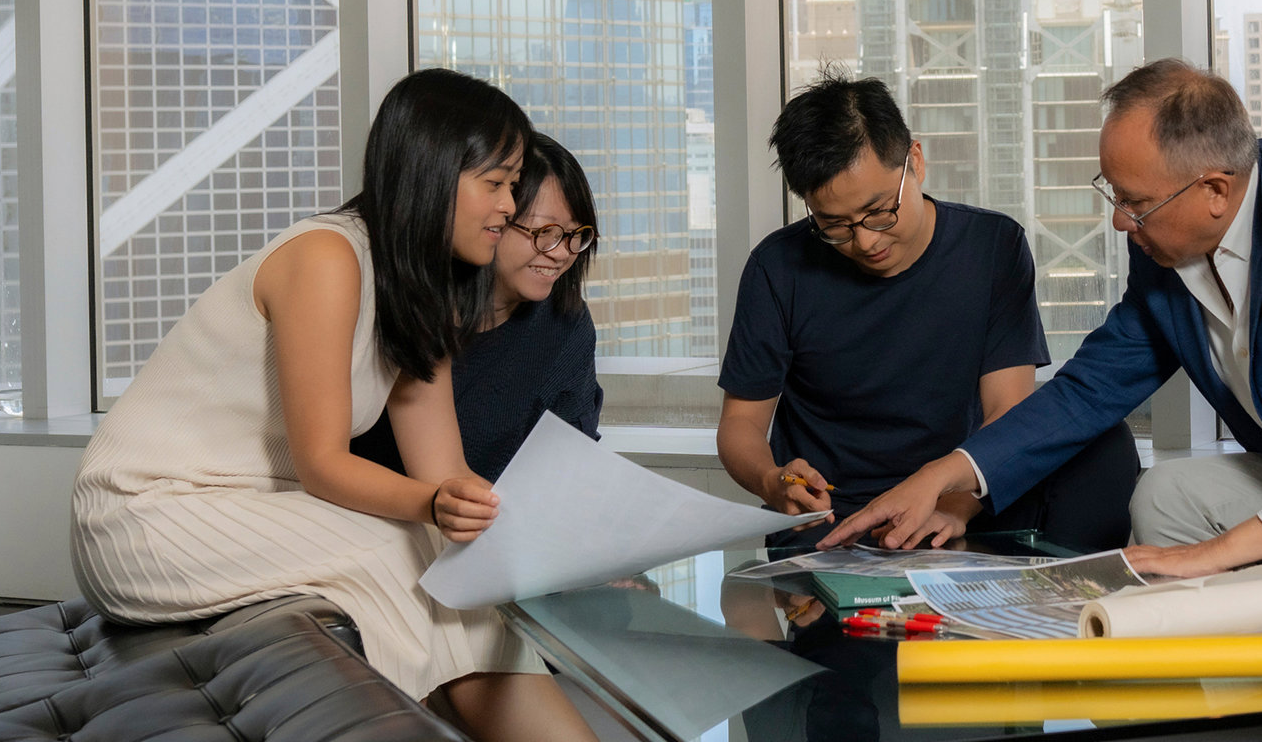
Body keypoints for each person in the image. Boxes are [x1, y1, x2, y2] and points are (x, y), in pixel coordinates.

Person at [822, 60, 1262, 608]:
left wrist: (1223, 549)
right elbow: (1089, 389)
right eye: (1113, 195)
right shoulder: (1165, 245)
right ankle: (1220, 705)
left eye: (1135, 203)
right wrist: (943, 476)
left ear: (1215, 188)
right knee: (1162, 496)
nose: (1120, 221)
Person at [71, 69, 600, 742]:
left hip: (250, 507)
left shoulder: (422, 291)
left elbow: (443, 472)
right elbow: (323, 463)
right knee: (401, 548)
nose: (508, 205)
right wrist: (437, 509)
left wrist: (513, 537)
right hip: (143, 512)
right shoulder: (328, 255)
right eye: (496, 183)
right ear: (434, 171)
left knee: (453, 560)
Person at [718, 72, 1139, 551]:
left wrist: (956, 508)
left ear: (914, 162)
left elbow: (1008, 409)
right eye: (833, 226)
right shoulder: (778, 266)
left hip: (958, 498)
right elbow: (740, 425)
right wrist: (774, 481)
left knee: (1104, 447)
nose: (865, 241)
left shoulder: (992, 246)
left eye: (879, 211)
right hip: (834, 517)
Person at [353, 131, 604, 482]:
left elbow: (571, 463)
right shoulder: (410, 308)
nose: (561, 253)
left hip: (493, 523)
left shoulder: (567, 324)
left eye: (576, 235)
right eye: (544, 231)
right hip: (376, 519)